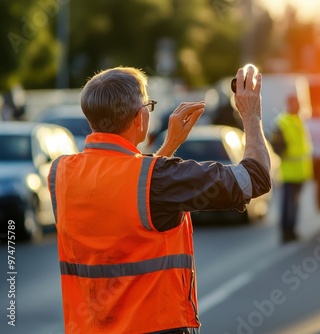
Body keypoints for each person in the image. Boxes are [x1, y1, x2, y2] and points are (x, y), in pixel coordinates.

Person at [48, 66, 271, 333]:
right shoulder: (158, 179)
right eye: (147, 105)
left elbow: (123, 190)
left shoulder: (60, 173)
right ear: (139, 118)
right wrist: (251, 115)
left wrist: (169, 146)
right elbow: (255, 178)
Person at [271, 94, 313, 243]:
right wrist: (283, 151)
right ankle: (285, 232)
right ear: (289, 104)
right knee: (287, 204)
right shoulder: (283, 121)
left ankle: (292, 230)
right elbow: (276, 144)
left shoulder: (299, 120)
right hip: (288, 171)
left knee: (295, 204)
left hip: (300, 171)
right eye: (296, 103)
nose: (299, 106)